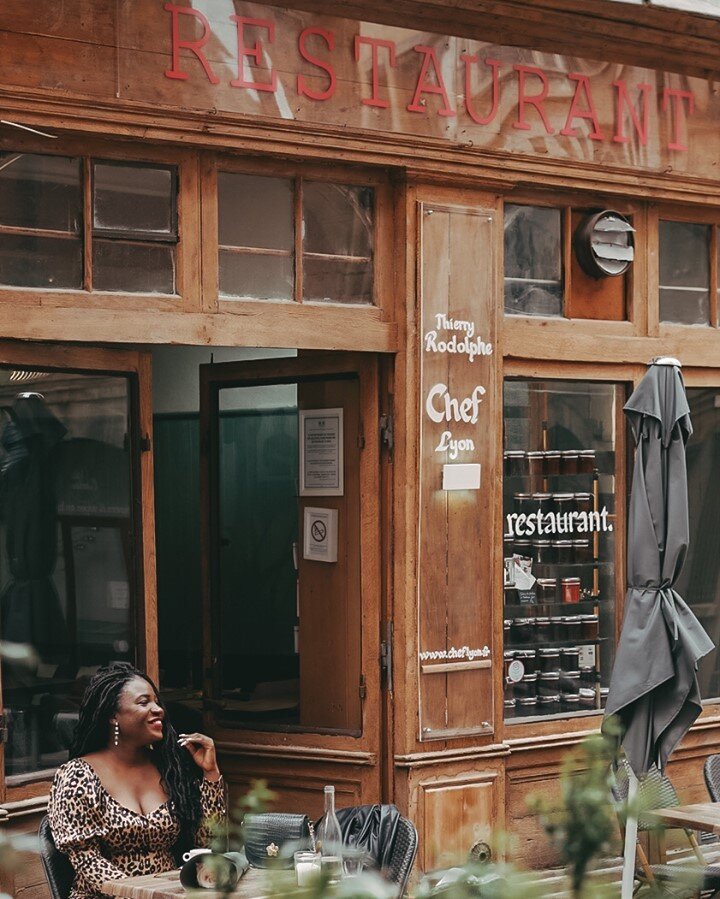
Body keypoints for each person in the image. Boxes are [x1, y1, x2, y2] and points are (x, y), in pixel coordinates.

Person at [48, 663, 225, 899]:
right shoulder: (77, 776)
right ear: (113, 715)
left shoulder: (168, 769)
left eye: (157, 701)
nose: (158, 709)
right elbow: (87, 860)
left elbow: (209, 843)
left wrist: (210, 774)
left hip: (168, 893)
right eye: (144, 702)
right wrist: (140, 895)